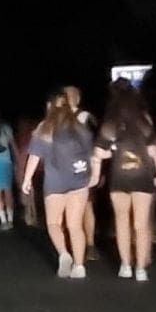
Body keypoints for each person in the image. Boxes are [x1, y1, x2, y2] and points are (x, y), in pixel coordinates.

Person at [22, 92, 98, 279]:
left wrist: (27, 179)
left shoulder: (45, 128)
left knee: (54, 223)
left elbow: (34, 156)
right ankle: (79, 267)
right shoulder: (80, 128)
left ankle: (64, 253)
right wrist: (94, 175)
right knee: (75, 225)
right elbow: (92, 155)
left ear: (50, 107)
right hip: (79, 180)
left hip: (55, 183)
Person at [92, 85, 156, 282]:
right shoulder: (144, 123)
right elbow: (153, 151)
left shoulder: (110, 125)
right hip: (143, 176)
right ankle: (141, 269)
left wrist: (97, 175)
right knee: (141, 224)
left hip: (119, 177)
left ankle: (125, 265)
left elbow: (99, 153)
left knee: (121, 221)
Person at [64, 85, 101, 261]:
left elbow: (96, 144)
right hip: (64, 168)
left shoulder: (86, 117)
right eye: (66, 95)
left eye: (71, 95)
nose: (68, 98)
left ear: (78, 99)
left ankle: (90, 244)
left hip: (82, 167)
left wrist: (97, 169)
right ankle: (72, 244)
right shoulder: (58, 117)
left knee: (86, 205)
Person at [14, 116, 39, 227]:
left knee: (28, 194)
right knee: (29, 194)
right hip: (28, 169)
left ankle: (30, 216)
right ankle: (30, 215)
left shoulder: (28, 141)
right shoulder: (23, 139)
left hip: (27, 169)